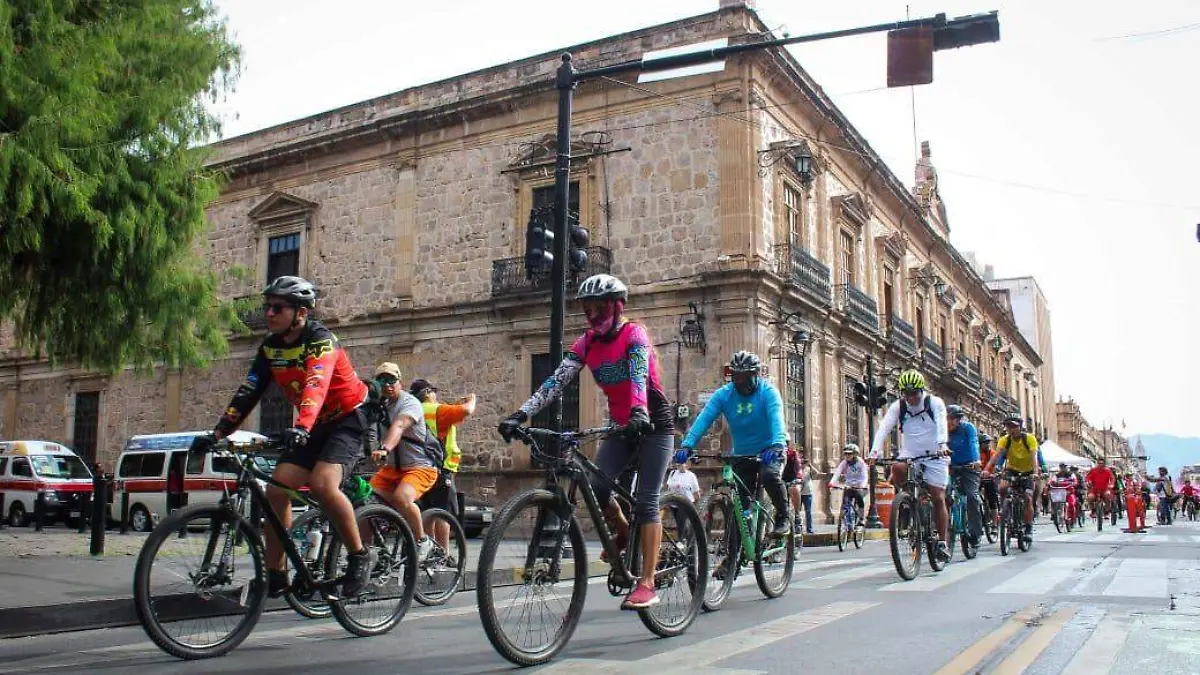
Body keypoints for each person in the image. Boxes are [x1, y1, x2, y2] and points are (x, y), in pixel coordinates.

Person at [189, 276, 373, 598]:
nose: (269, 313)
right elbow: (249, 391)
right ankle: (276, 574)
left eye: (278, 307)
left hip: (347, 419)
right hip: (312, 423)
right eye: (267, 306)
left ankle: (360, 557)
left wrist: (301, 427)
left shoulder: (321, 340)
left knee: (323, 484)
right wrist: (218, 431)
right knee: (276, 489)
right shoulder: (271, 347)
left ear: (301, 313)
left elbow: (316, 383)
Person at [498, 274, 674, 611]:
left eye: (599, 308)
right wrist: (521, 414)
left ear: (616, 306)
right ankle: (622, 532)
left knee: (647, 500)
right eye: (587, 309)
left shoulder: (633, 333)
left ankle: (648, 583)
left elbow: (638, 373)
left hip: (653, 424)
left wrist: (639, 409)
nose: (592, 315)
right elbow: (555, 382)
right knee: (597, 487)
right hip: (623, 426)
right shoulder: (588, 343)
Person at [678, 351, 792, 539]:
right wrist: (687, 445)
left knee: (770, 476)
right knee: (739, 509)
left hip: (769, 451)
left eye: (745, 377)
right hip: (742, 454)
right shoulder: (724, 394)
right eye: (736, 376)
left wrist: (778, 444)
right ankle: (731, 563)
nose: (739, 382)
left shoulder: (768, 393)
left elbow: (777, 420)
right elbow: (704, 419)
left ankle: (783, 516)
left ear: (755, 375)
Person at [868, 369, 952, 561]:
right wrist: (875, 451)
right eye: (906, 393)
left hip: (936, 453)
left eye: (914, 393)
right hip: (911, 453)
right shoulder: (899, 406)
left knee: (938, 496)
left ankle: (941, 541)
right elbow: (884, 427)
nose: (911, 397)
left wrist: (942, 444)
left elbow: (941, 424)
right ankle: (908, 502)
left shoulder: (934, 403)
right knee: (897, 468)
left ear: (921, 391)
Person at [370, 363, 439, 562]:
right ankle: (367, 554)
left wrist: (384, 448)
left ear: (400, 382)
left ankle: (422, 540)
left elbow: (399, 426)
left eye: (391, 380)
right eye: (381, 380)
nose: (387, 385)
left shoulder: (410, 403)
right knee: (364, 503)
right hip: (391, 469)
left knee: (402, 498)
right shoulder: (378, 405)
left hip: (420, 467)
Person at [411, 378, 475, 556]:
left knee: (427, 511)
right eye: (433, 391)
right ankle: (443, 554)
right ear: (427, 393)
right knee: (442, 512)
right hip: (441, 467)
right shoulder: (435, 409)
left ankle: (429, 551)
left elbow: (442, 423)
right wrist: (472, 400)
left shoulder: (414, 410)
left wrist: (454, 405)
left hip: (418, 466)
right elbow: (466, 411)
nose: (436, 395)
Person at [985, 415, 1046, 538]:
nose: (1010, 429)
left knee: (1028, 499)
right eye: (1008, 426)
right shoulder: (1004, 439)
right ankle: (1005, 509)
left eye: (1013, 426)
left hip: (1028, 471)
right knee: (1002, 487)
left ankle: (1028, 529)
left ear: (1020, 427)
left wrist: (1035, 472)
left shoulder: (1029, 438)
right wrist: (986, 470)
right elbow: (996, 456)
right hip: (1011, 469)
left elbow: (1034, 456)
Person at [945, 405, 983, 547]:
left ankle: (975, 532)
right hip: (950, 467)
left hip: (970, 467)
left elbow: (973, 443)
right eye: (947, 419)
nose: (949, 422)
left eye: (952, 419)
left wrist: (976, 460)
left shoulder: (968, 428)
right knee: (942, 494)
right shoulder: (943, 431)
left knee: (972, 496)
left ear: (958, 419)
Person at [831, 444, 868, 526]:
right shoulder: (844, 463)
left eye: (850, 454)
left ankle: (861, 518)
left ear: (855, 454)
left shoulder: (861, 463)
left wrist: (862, 485)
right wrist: (832, 482)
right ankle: (846, 520)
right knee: (845, 501)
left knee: (859, 497)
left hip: (860, 486)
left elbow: (865, 476)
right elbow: (837, 473)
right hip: (849, 486)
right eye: (846, 454)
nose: (847, 456)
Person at [785, 443, 815, 535]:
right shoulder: (791, 461)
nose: (801, 455)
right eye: (800, 453)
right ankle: (793, 526)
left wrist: (809, 465)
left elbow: (815, 474)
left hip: (806, 491)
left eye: (802, 453)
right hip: (792, 487)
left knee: (807, 511)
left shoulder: (804, 465)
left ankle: (808, 528)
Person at [978, 433, 999, 525]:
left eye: (988, 443)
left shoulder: (993, 453)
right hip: (978, 478)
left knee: (992, 501)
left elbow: (997, 465)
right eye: (984, 443)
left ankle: (994, 524)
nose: (987, 445)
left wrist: (994, 474)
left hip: (990, 478)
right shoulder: (977, 454)